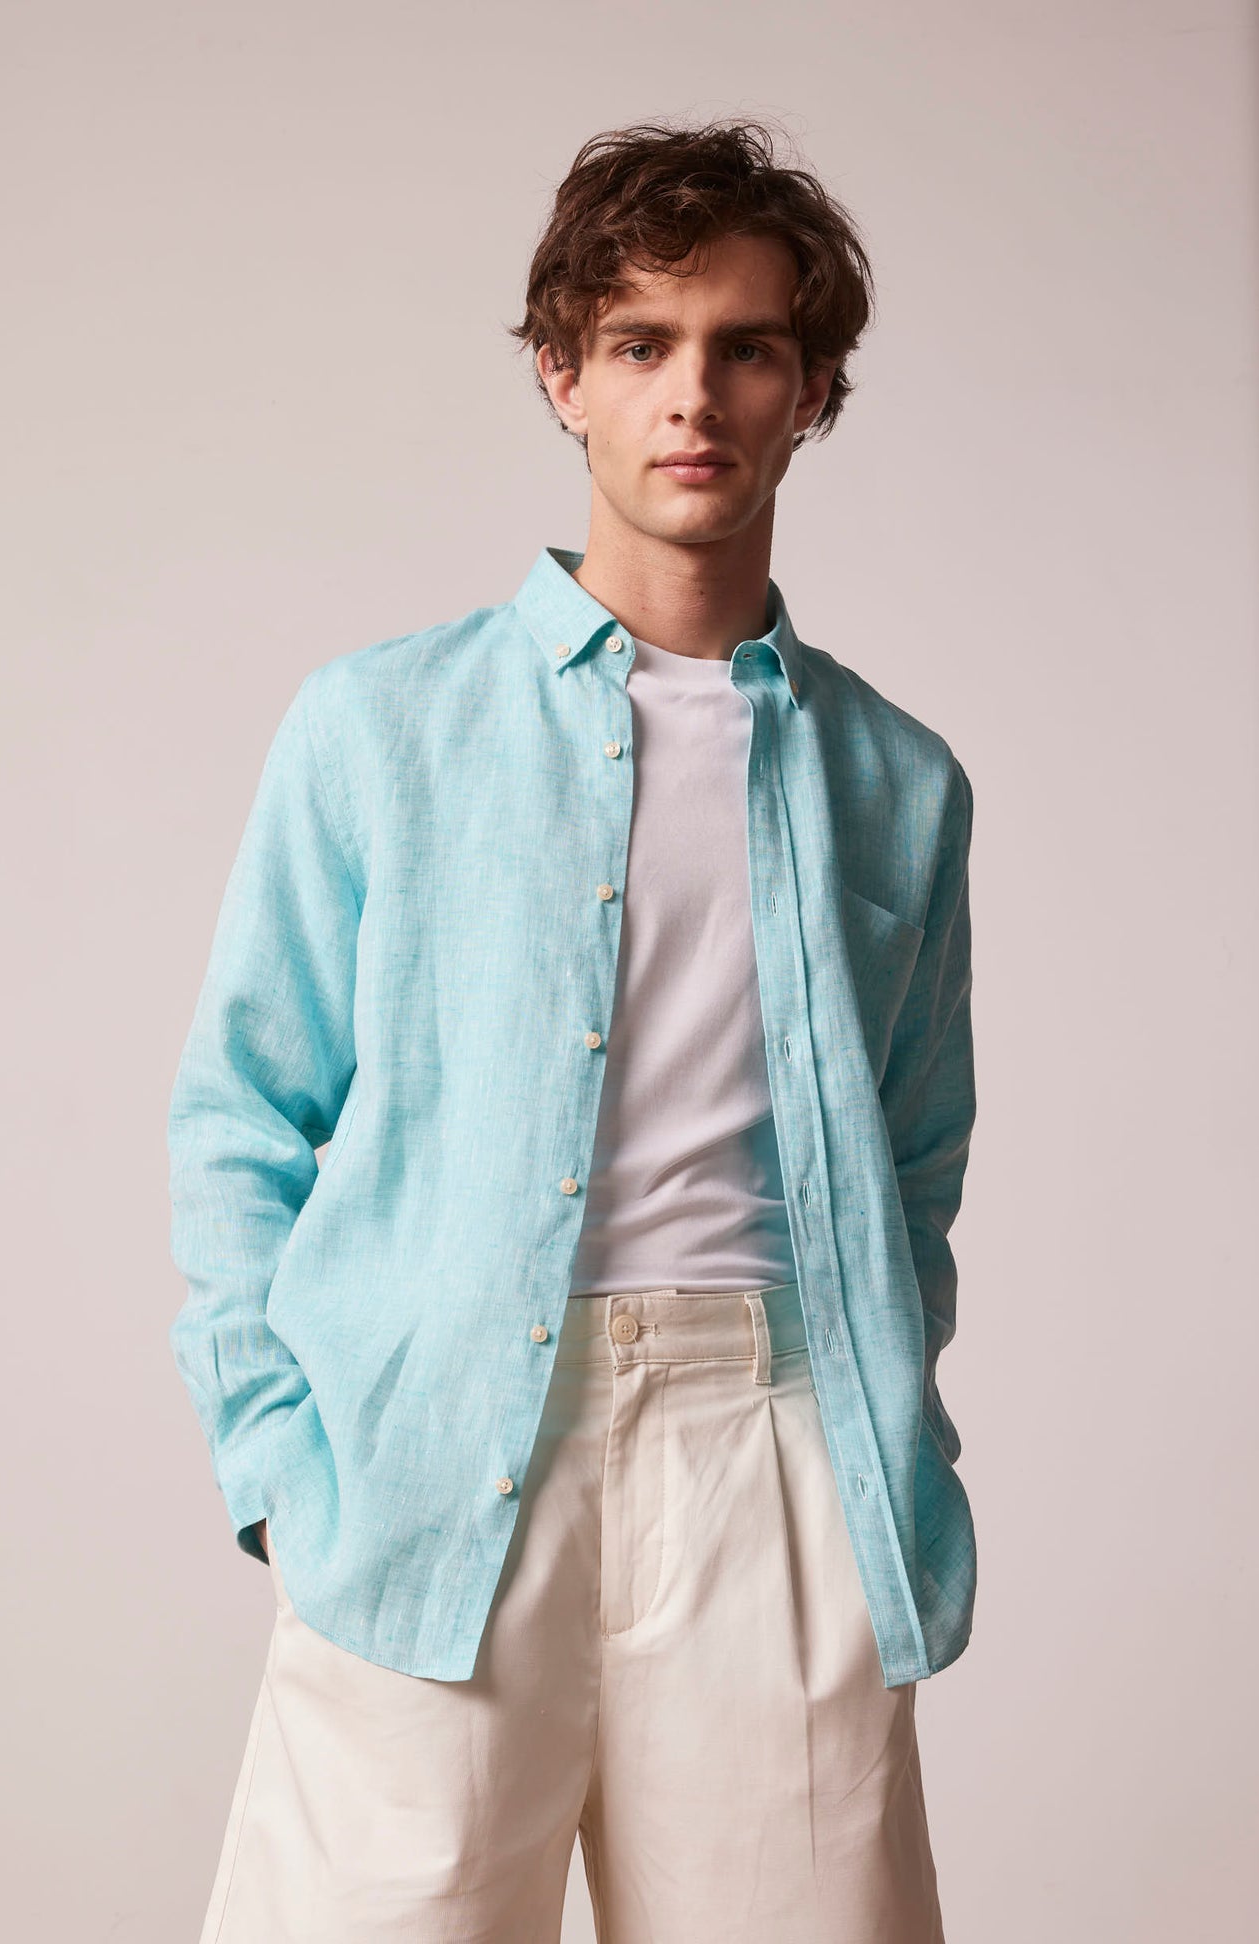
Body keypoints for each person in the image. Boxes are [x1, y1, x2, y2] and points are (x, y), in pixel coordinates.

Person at [167, 115, 976, 1943]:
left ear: (810, 392)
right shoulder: (378, 728)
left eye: (747, 347)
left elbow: (918, 1159)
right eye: (640, 343)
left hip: (772, 1452)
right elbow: (239, 1119)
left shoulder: (900, 783)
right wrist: (285, 1469)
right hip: (432, 1455)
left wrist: (870, 1436)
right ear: (564, 376)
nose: (693, 394)